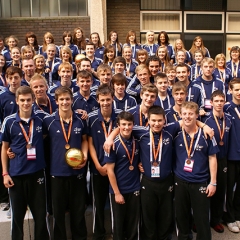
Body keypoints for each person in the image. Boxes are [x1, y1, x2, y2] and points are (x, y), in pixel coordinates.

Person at [1, 86, 49, 240]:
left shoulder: (42, 119)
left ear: (33, 100)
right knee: (17, 218)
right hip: (16, 175)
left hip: (37, 173)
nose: (26, 103)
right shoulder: (9, 122)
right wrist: (5, 173)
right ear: (17, 101)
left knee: (41, 216)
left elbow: (57, 123)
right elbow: (4, 149)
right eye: (22, 100)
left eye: (29, 100)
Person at [43, 86, 88, 240]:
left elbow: (85, 140)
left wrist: (85, 156)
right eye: (61, 99)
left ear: (72, 100)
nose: (64, 102)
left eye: (67, 99)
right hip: (57, 173)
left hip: (77, 172)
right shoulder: (48, 121)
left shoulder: (80, 120)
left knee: (78, 210)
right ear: (56, 101)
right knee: (59, 211)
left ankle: (80, 237)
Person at [173, 101, 218, 240]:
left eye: (191, 114)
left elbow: (212, 158)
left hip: (200, 182)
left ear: (197, 115)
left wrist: (213, 182)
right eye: (184, 114)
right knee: (181, 216)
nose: (187, 117)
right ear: (180, 115)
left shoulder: (207, 135)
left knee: (201, 218)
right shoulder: (175, 133)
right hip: (180, 181)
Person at [88, 84, 122, 240]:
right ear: (97, 100)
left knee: (117, 204)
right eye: (102, 100)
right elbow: (90, 143)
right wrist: (96, 164)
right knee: (99, 204)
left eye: (108, 99)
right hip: (99, 169)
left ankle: (118, 234)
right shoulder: (92, 118)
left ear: (113, 99)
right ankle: (99, 234)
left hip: (117, 170)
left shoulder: (121, 117)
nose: (106, 103)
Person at [105, 111, 140, 240]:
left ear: (133, 125)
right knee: (118, 225)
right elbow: (110, 171)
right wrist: (117, 192)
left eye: (129, 124)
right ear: (118, 126)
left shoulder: (137, 140)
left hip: (135, 187)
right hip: (118, 190)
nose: (126, 127)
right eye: (123, 124)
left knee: (133, 224)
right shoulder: (112, 144)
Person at [203, 90, 232, 233]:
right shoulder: (205, 120)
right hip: (207, 160)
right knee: (204, 192)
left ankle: (216, 220)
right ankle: (200, 220)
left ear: (224, 102)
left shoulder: (229, 119)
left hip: (223, 159)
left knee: (220, 191)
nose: (219, 103)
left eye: (222, 101)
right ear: (211, 102)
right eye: (217, 101)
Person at [223, 78, 240, 233]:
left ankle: (237, 214)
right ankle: (228, 217)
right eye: (236, 90)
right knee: (229, 188)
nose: (239, 93)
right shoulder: (227, 107)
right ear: (230, 90)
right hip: (231, 155)